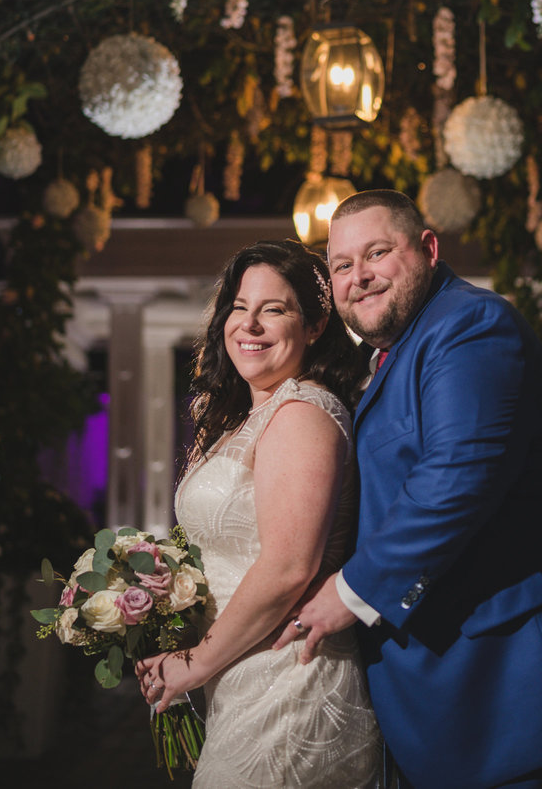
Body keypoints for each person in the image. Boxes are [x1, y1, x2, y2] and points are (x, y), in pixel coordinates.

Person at [276, 190, 542, 789]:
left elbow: (460, 474)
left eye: (377, 253)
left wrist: (350, 590)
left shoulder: (470, 324)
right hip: (461, 693)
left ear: (429, 249)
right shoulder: (391, 356)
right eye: (342, 265)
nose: (359, 276)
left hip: (525, 687)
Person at [136, 239, 382, 788]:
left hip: (290, 680)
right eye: (239, 308)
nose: (250, 325)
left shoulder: (301, 413)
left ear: (316, 325)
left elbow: (289, 567)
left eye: (274, 309)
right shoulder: (242, 417)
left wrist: (195, 662)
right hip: (238, 671)